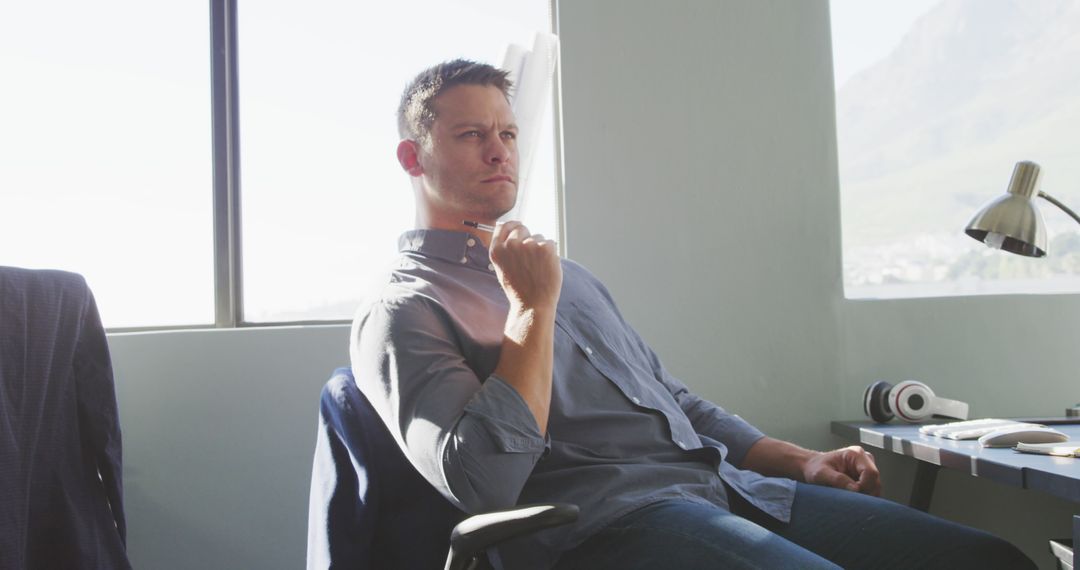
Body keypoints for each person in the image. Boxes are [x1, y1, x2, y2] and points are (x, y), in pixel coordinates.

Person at [350, 59, 1035, 569]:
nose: (500, 151)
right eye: (473, 134)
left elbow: (673, 403)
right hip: (603, 527)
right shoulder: (404, 310)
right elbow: (482, 483)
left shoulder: (572, 277)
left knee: (989, 559)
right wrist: (530, 309)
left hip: (728, 490)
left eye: (508, 132)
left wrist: (799, 461)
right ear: (413, 157)